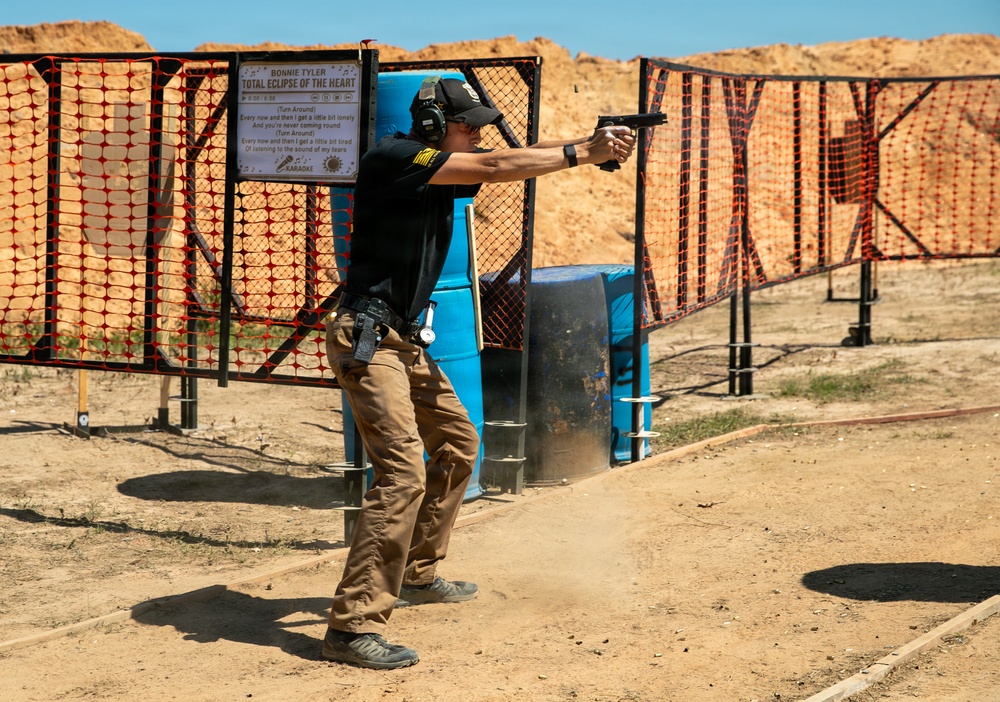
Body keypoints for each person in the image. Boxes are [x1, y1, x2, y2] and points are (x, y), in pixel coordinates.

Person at [321, 76, 636, 670]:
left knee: (461, 444)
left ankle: (416, 571)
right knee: (400, 473)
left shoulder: (439, 171)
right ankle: (351, 624)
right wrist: (584, 152)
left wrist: (585, 146)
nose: (476, 136)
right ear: (436, 127)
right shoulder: (394, 156)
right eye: (468, 126)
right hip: (366, 337)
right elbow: (495, 166)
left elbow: (497, 163)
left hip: (401, 338)